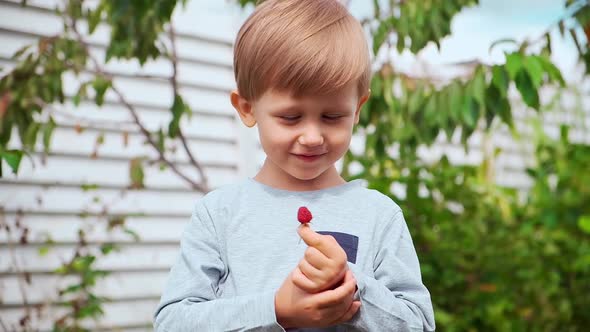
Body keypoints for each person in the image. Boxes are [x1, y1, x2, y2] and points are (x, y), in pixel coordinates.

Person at [154, 0, 435, 331]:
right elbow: (173, 323)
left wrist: (351, 283)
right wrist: (277, 310)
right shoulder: (219, 214)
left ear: (357, 109)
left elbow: (418, 323)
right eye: (290, 117)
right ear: (247, 108)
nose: (313, 136)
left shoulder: (378, 216)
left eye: (332, 116)